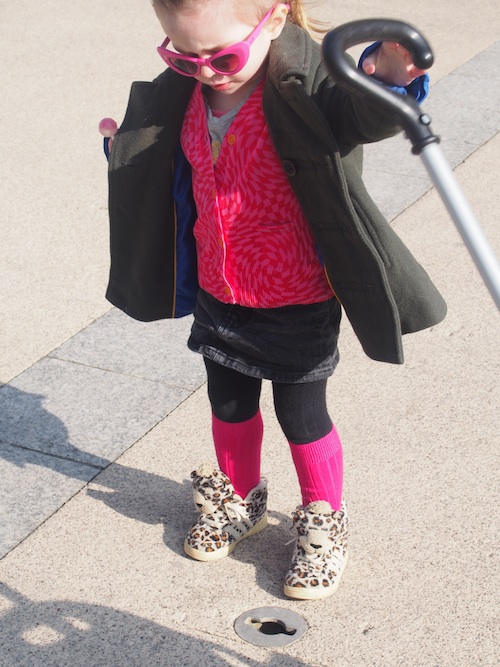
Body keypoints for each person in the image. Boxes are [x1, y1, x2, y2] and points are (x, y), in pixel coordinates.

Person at [104, 0, 446, 600]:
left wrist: (390, 81)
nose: (205, 70)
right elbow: (166, 162)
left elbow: (360, 115)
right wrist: (126, 158)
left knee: (301, 414)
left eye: (222, 56)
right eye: (184, 56)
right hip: (219, 287)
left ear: (276, 19)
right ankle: (242, 500)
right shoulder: (182, 94)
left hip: (296, 294)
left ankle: (324, 524)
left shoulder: (310, 86)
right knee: (228, 400)